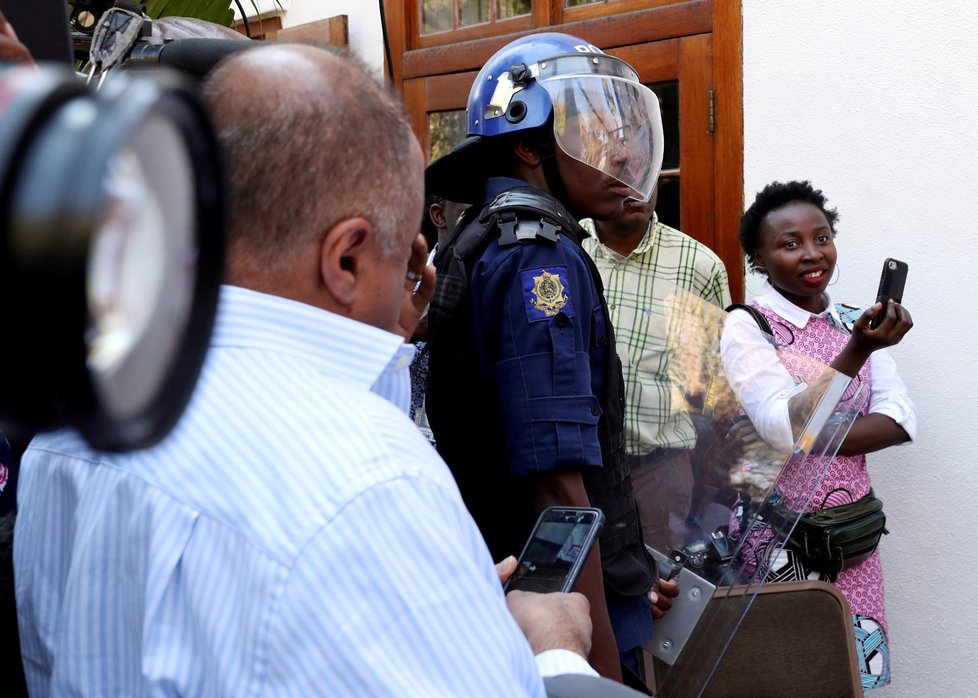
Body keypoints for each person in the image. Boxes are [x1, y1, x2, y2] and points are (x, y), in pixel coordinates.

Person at [13, 43, 645, 697]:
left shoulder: (71, 435)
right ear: (346, 259)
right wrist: (553, 652)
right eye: (402, 259)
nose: (416, 287)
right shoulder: (375, 485)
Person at [424, 32, 664, 685]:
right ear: (530, 146)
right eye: (587, 131)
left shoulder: (483, 235)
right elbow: (556, 485)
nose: (620, 151)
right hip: (558, 615)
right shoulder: (538, 256)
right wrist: (598, 678)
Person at [723, 180, 915, 691]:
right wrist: (856, 353)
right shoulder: (749, 326)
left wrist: (815, 431)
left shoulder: (856, 319)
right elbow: (784, 428)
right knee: (787, 676)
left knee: (851, 676)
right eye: (790, 244)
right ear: (758, 259)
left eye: (822, 237)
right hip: (778, 541)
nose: (812, 254)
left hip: (851, 536)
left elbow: (899, 420)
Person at [581, 194, 731, 555]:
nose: (635, 188)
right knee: (574, 590)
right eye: (621, 174)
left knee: (658, 594)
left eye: (645, 173)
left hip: (656, 471)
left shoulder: (699, 265)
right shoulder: (564, 245)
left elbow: (714, 385)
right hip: (574, 470)